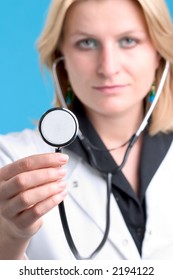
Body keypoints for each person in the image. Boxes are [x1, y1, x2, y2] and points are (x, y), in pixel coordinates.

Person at [0, 0, 173, 260]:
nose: (108, 67)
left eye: (128, 40)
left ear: (159, 53)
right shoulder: (10, 160)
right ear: (62, 59)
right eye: (87, 43)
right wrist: (9, 238)